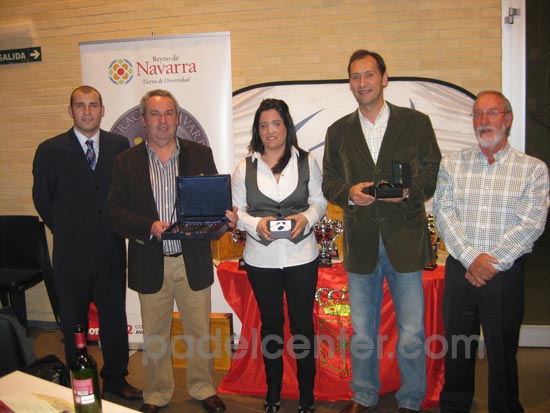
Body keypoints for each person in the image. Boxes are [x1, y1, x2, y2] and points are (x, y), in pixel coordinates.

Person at [322, 49, 442, 413]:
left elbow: (432, 171)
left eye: (369, 75)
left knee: (411, 330)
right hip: (360, 243)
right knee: (362, 329)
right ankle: (363, 394)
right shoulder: (338, 131)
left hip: (404, 240)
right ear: (350, 83)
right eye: (355, 76)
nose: (362, 83)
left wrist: (409, 192)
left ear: (384, 79)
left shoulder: (416, 123)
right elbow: (329, 181)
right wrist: (349, 193)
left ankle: (411, 399)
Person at [104, 89, 237, 413]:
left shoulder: (200, 154)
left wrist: (225, 215)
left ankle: (203, 387)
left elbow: (212, 202)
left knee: (199, 332)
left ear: (178, 118)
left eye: (168, 113)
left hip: (192, 260)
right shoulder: (126, 161)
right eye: (155, 114)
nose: (162, 121)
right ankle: (157, 393)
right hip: (150, 260)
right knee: (155, 335)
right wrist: (148, 225)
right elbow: (113, 211)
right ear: (143, 119)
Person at [433, 90, 549, 413]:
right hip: (460, 270)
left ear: (508, 119)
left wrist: (490, 262)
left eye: (492, 113)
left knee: (502, 352)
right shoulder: (452, 163)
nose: (484, 120)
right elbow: (443, 213)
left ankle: (505, 407)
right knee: (458, 349)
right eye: (478, 114)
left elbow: (531, 223)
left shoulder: (532, 169)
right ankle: (455, 406)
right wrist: (471, 258)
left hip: (504, 273)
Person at [32, 85, 142, 400]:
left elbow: (126, 192)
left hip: (110, 249)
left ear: (102, 110)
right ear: (71, 111)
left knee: (114, 319)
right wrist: (66, 229)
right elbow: (42, 198)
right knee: (74, 321)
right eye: (80, 105)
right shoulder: (50, 150)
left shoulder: (119, 145)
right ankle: (79, 381)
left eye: (93, 105)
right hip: (70, 252)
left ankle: (116, 380)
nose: (87, 111)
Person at [231, 99, 327, 413]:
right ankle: (272, 393)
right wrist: (255, 224)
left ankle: (306, 396)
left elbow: (320, 202)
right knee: (271, 326)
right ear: (257, 130)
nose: (270, 130)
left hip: (302, 257)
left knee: (302, 328)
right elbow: (236, 212)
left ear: (286, 126)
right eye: (263, 125)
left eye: (276, 123)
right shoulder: (244, 167)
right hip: (261, 260)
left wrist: (306, 218)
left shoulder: (307, 161)